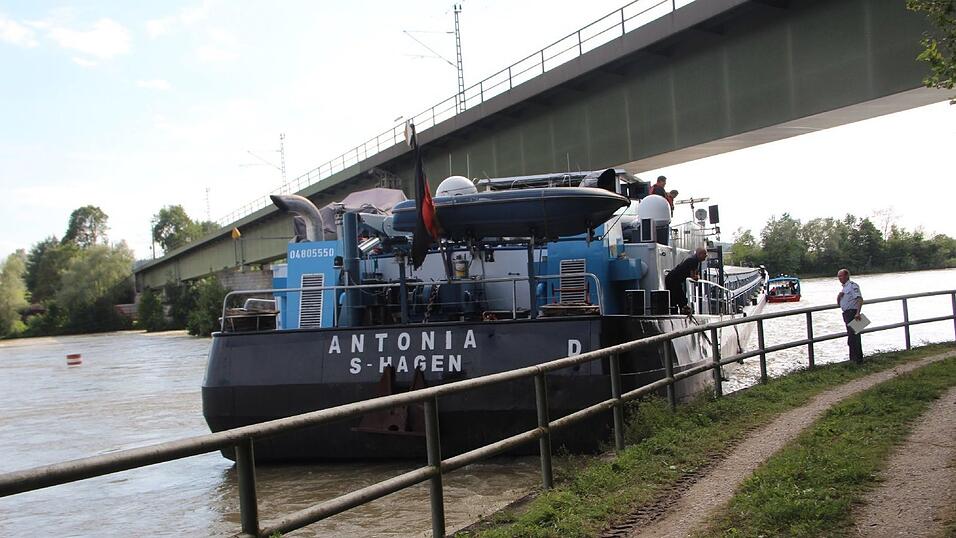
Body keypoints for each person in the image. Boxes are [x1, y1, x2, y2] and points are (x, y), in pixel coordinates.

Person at [664, 247, 708, 314]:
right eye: (704, 254)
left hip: (675, 279)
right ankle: (681, 310)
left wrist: (696, 276)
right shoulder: (693, 261)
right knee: (677, 297)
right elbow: (693, 277)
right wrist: (696, 277)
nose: (706, 255)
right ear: (699, 254)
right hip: (673, 279)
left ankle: (682, 309)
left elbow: (694, 274)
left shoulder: (694, 260)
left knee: (680, 297)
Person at [837, 268, 864, 363]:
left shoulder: (852, 286)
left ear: (847, 276)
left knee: (854, 338)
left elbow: (859, 299)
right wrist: (838, 297)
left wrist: (858, 313)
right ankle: (853, 359)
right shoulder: (844, 288)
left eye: (841, 276)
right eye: (838, 276)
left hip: (853, 313)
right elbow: (839, 304)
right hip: (846, 314)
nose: (839, 278)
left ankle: (857, 360)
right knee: (851, 337)